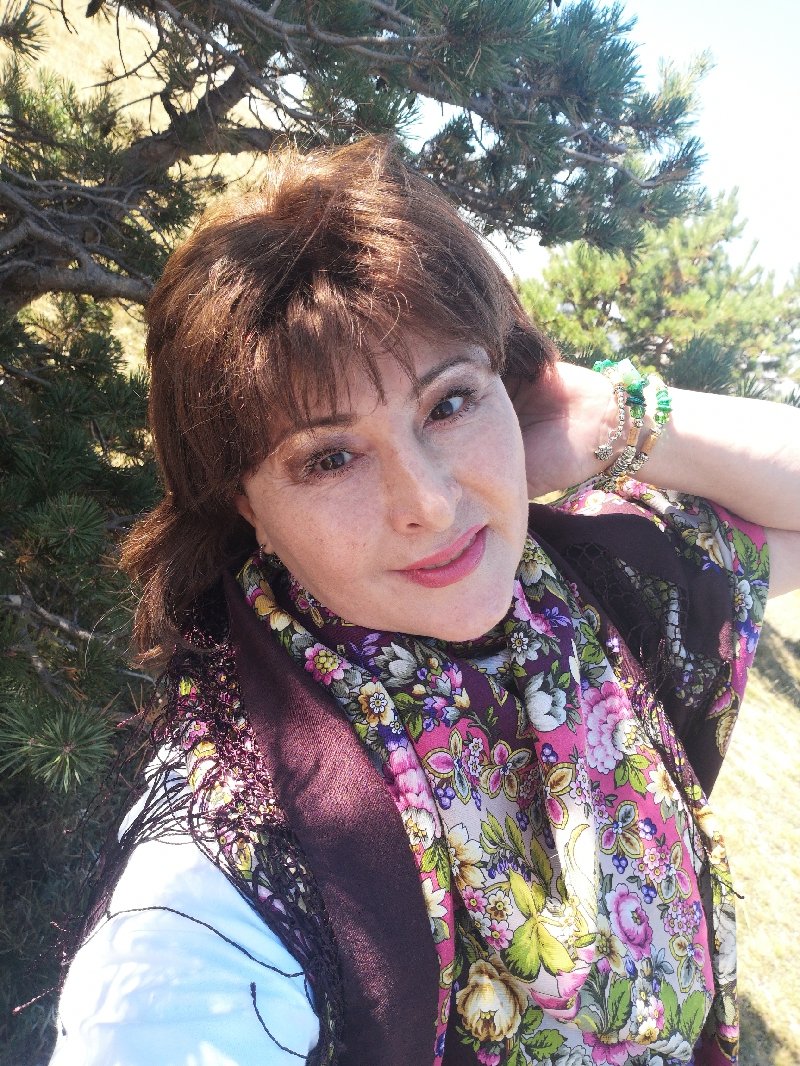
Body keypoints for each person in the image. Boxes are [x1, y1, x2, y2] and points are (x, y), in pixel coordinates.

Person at [50, 137, 800, 1066]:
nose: (431, 505)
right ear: (248, 506)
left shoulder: (590, 586)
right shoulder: (222, 880)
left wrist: (607, 419)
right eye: (330, 457)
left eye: (449, 403)